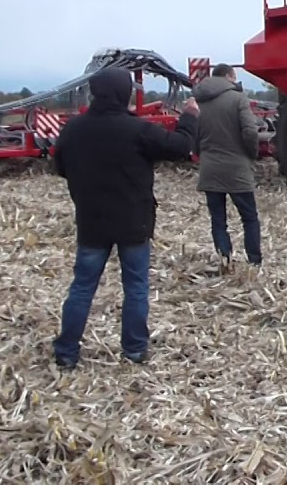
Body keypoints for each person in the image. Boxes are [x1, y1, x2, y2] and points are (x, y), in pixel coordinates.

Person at [50, 66, 199, 370]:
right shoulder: (137, 130)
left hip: (91, 221)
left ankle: (66, 352)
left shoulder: (73, 130)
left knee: (82, 287)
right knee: (136, 287)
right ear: (124, 93)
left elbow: (60, 167)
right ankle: (133, 349)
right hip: (134, 221)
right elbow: (181, 147)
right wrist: (189, 118)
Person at [192, 63, 263, 268]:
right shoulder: (238, 98)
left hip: (210, 169)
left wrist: (201, 154)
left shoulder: (199, 101)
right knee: (249, 218)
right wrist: (252, 154)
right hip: (236, 168)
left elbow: (193, 135)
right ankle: (254, 262)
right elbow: (250, 131)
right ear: (230, 76)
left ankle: (225, 260)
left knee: (218, 219)